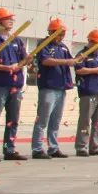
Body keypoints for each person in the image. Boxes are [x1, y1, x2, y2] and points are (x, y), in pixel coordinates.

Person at [31, 19, 80, 160]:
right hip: (48, 87)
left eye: (63, 34)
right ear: (51, 32)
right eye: (59, 33)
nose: (61, 37)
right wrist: (67, 62)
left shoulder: (63, 47)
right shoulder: (44, 44)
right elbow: (45, 60)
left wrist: (79, 59)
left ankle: (53, 147)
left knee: (55, 120)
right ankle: (37, 148)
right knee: (43, 119)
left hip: (61, 86)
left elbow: (71, 61)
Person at [0, 7, 27, 161]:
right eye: (7, 19)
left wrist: (23, 63)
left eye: (11, 18)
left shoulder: (16, 40)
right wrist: (7, 68)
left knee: (12, 119)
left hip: (15, 85)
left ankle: (9, 149)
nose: (11, 21)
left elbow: (24, 58)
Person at [74, 30, 98, 157]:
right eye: (97, 43)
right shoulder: (83, 55)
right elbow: (79, 70)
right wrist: (94, 70)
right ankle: (81, 147)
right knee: (85, 121)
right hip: (88, 92)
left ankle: (95, 146)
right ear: (91, 41)